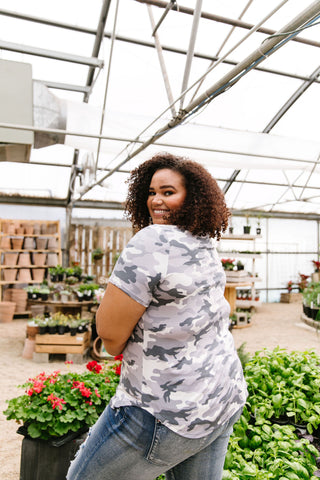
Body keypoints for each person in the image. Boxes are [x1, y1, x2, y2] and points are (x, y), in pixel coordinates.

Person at [67, 152, 248, 480]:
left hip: (162, 412)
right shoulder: (204, 240)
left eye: (168, 192)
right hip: (221, 397)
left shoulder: (151, 240)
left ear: (192, 197)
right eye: (151, 192)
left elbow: (109, 337)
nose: (156, 201)